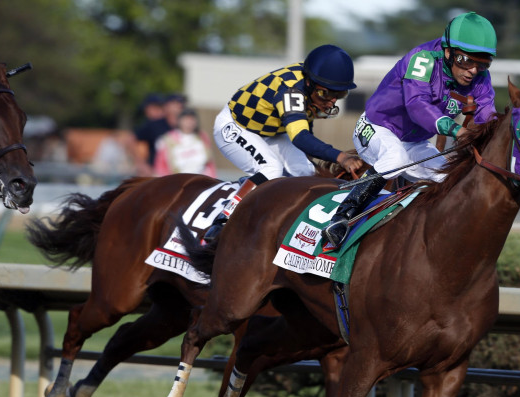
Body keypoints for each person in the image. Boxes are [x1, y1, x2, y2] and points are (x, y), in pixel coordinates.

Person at [322, 11, 498, 247]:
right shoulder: (423, 59)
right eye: (465, 61)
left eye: (482, 63)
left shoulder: (480, 78)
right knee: (395, 158)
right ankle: (341, 218)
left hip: (414, 143)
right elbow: (417, 105)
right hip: (376, 127)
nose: (473, 71)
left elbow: (488, 114)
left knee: (451, 175)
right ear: (448, 51)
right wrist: (456, 131)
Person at [204, 44, 364, 242]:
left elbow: (305, 133)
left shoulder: (311, 84)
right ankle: (224, 220)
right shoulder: (290, 90)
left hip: (272, 131)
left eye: (339, 95)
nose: (331, 101)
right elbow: (300, 138)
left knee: (305, 172)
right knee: (271, 169)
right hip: (236, 126)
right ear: (309, 84)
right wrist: (340, 157)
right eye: (325, 94)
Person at [153, 107, 217, 177]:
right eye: (186, 119)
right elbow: (161, 166)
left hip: (201, 179)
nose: (189, 122)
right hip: (177, 180)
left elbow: (210, 163)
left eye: (192, 119)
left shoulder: (202, 137)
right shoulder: (168, 139)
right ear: (179, 121)